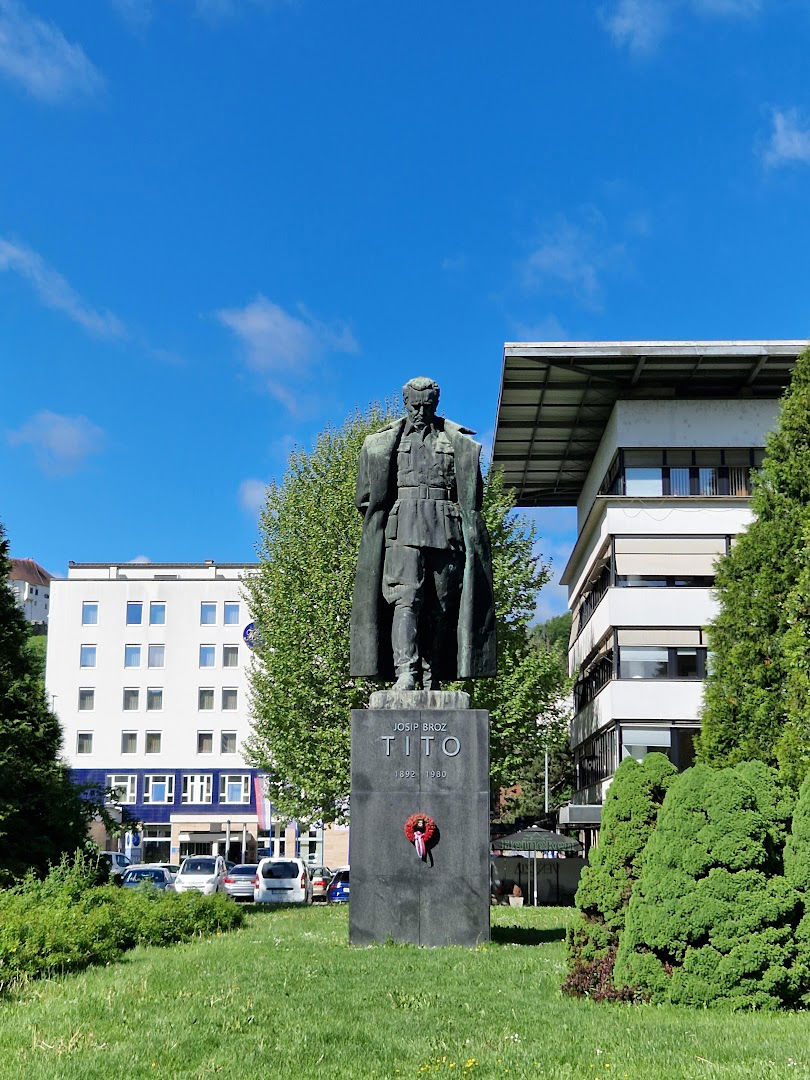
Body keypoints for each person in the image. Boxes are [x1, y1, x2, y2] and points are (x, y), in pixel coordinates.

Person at [350, 376, 496, 689]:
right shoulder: (383, 441)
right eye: (414, 405)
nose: (420, 411)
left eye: (426, 405)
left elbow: (472, 494)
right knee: (406, 599)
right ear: (405, 403)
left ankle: (431, 677)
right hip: (402, 527)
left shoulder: (455, 440)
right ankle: (406, 672)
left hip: (445, 527)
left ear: (436, 404)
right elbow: (365, 497)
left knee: (441, 606)